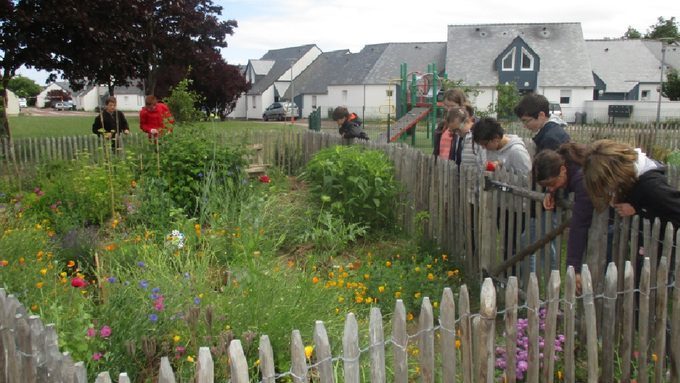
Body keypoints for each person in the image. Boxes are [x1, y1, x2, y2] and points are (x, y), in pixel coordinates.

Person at [514, 93, 571, 272]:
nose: (525, 125)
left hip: (549, 201)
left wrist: (551, 193)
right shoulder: (549, 133)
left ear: (541, 115)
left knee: (541, 242)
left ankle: (541, 282)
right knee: (538, 241)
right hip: (547, 198)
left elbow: (553, 172)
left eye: (527, 120)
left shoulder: (551, 138)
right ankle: (539, 281)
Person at [534, 143, 595, 293]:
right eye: (546, 186)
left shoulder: (582, 179)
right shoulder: (565, 164)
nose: (550, 187)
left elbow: (579, 225)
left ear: (562, 169)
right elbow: (559, 182)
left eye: (551, 184)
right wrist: (552, 192)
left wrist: (573, 268)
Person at [582, 140, 680, 230]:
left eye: (605, 182)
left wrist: (638, 211)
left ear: (615, 173)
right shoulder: (633, 175)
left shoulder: (652, 186)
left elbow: (674, 212)